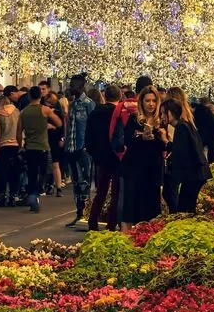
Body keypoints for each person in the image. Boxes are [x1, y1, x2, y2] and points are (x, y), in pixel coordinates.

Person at [121, 87, 166, 224]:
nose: (151, 104)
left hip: (153, 169)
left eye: (153, 101)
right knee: (131, 206)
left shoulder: (162, 120)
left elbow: (165, 145)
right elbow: (127, 140)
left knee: (151, 207)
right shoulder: (134, 119)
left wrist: (156, 137)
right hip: (135, 167)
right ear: (142, 102)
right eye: (147, 101)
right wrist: (142, 138)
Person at [160, 98, 212, 213]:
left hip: (193, 175)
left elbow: (180, 152)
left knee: (185, 209)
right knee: (186, 206)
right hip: (196, 174)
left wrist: (165, 142)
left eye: (164, 112)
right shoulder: (185, 124)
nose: (162, 116)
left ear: (172, 112)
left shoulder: (181, 127)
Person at [17, 85, 62, 214]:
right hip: (43, 146)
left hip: (30, 147)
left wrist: (20, 145)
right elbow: (59, 123)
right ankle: (36, 193)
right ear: (40, 96)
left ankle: (32, 195)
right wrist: (47, 125)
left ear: (30, 96)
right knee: (41, 173)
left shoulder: (23, 112)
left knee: (31, 173)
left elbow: (19, 132)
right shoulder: (45, 110)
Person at [85, 84, 121, 231]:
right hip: (116, 156)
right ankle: (111, 224)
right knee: (116, 192)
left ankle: (92, 222)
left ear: (105, 96)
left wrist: (94, 153)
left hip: (100, 157)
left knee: (101, 191)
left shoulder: (95, 113)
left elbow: (88, 136)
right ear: (119, 97)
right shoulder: (118, 113)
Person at [61, 75, 94, 227]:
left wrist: (89, 145)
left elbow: (92, 127)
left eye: (73, 85)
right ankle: (79, 212)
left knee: (85, 182)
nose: (70, 87)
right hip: (71, 149)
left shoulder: (88, 104)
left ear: (80, 86)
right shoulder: (72, 105)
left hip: (83, 149)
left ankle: (86, 214)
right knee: (76, 182)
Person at [0, 93, 21, 208]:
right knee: (14, 172)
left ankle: (2, 196)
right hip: (16, 144)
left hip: (4, 144)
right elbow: (20, 129)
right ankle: (13, 195)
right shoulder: (17, 112)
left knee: (2, 172)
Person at [194, 97, 214, 165]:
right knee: (211, 151)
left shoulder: (197, 111)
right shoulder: (207, 111)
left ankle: (203, 164)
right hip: (210, 135)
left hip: (201, 134)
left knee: (202, 151)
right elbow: (213, 123)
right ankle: (211, 164)